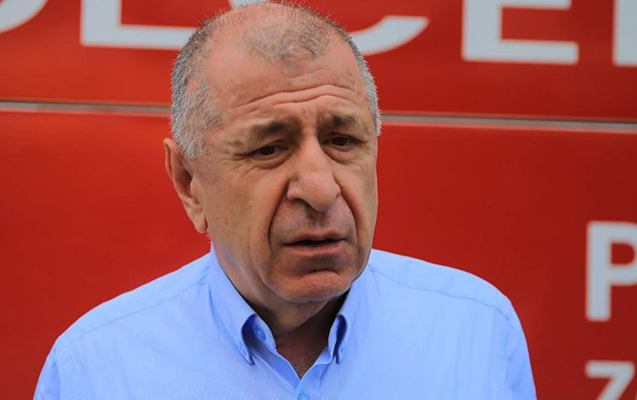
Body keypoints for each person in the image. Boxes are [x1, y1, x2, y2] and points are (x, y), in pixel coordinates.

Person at [35, 3, 536, 399]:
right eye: (269, 149)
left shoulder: (477, 332)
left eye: (342, 140)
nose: (321, 190)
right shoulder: (96, 369)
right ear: (189, 182)